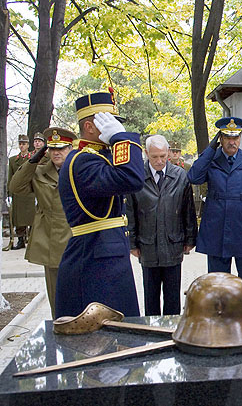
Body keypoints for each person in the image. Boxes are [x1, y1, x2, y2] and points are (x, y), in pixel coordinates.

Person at [56, 90, 144, 318]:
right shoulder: (82, 160)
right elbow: (132, 178)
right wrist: (121, 138)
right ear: (89, 127)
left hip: (103, 254)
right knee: (99, 336)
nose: (113, 126)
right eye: (107, 121)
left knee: (118, 331)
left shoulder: (95, 157)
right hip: (94, 261)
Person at [187, 117, 242, 305]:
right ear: (220, 139)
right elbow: (193, 176)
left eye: (235, 137)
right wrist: (210, 149)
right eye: (227, 137)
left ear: (240, 138)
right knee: (217, 286)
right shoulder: (211, 160)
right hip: (217, 231)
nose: (232, 142)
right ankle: (218, 320)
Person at [8, 127, 77, 317]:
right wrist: (33, 160)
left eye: (61, 148)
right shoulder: (39, 172)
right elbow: (15, 187)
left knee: (79, 293)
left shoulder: (78, 170)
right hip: (52, 239)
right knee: (57, 297)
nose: (56, 153)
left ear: (70, 149)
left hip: (76, 237)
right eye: (52, 148)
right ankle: (59, 329)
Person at [127, 135, 197, 316]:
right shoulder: (137, 176)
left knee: (172, 296)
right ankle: (152, 333)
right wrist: (132, 243)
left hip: (173, 243)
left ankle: (172, 331)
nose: (159, 161)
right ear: (146, 154)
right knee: (150, 295)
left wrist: (190, 239)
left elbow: (188, 209)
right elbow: (130, 212)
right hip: (147, 244)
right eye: (154, 157)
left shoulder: (180, 176)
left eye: (163, 156)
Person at [6, 134, 35, 250]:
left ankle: (32, 241)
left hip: (30, 192)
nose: (22, 146)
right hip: (18, 194)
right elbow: (11, 178)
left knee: (32, 218)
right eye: (20, 144)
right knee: (19, 219)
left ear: (28, 145)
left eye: (24, 144)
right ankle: (20, 239)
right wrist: (9, 194)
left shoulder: (33, 158)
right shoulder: (13, 160)